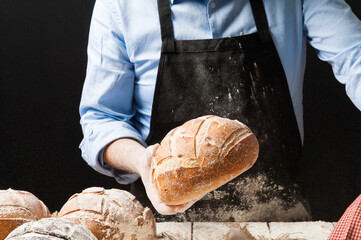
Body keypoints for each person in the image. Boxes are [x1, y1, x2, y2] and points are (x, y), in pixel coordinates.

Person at [79, 0, 361, 221]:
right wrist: (143, 161)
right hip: (163, 228)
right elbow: (102, 119)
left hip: (281, 224)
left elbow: (355, 54)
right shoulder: (119, 6)